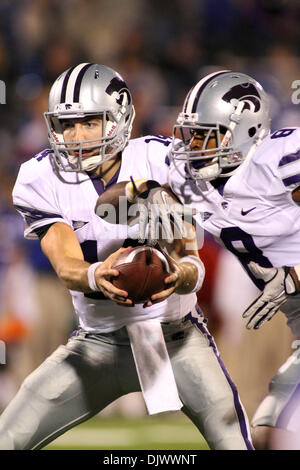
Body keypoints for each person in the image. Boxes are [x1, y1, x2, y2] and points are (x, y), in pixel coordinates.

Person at [0, 63, 253, 450]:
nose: (75, 136)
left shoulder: (164, 160)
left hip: (176, 337)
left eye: (89, 123)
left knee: (232, 437)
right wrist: (96, 273)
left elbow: (193, 263)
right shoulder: (40, 177)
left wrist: (178, 275)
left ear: (119, 119)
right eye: (66, 125)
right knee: (9, 436)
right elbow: (66, 263)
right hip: (96, 341)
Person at [130, 70, 300, 449]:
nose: (196, 146)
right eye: (193, 134)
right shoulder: (186, 172)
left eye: (209, 134)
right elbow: (112, 197)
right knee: (271, 433)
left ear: (248, 130)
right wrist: (144, 192)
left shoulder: (280, 160)